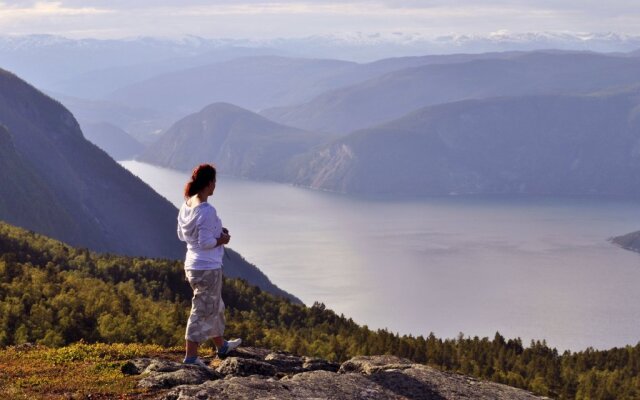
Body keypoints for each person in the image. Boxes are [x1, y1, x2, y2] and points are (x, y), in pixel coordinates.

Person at [177, 163, 241, 366]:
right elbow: (205, 242)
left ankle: (221, 346)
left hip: (192, 265)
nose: (215, 186)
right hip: (207, 267)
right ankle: (191, 357)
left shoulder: (187, 205)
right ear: (208, 183)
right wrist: (221, 240)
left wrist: (215, 232)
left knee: (214, 306)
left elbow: (183, 235)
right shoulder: (206, 210)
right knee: (201, 309)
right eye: (214, 181)